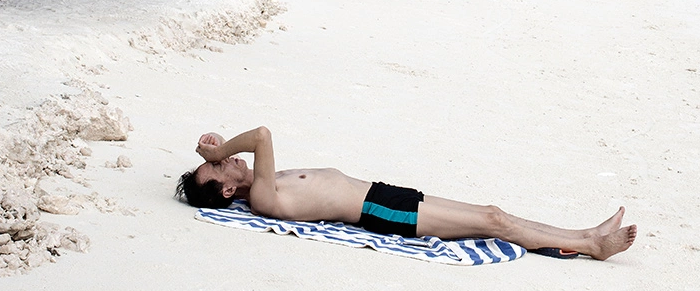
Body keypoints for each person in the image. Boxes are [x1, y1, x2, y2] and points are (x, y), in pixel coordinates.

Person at [176, 126, 637, 261]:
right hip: (379, 212)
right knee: (493, 222)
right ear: (230, 188)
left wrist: (216, 148)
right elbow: (260, 134)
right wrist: (211, 149)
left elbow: (247, 149)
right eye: (220, 166)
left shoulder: (258, 180)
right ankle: (591, 244)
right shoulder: (261, 197)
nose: (227, 158)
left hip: (381, 194)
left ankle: (584, 235)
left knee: (492, 213)